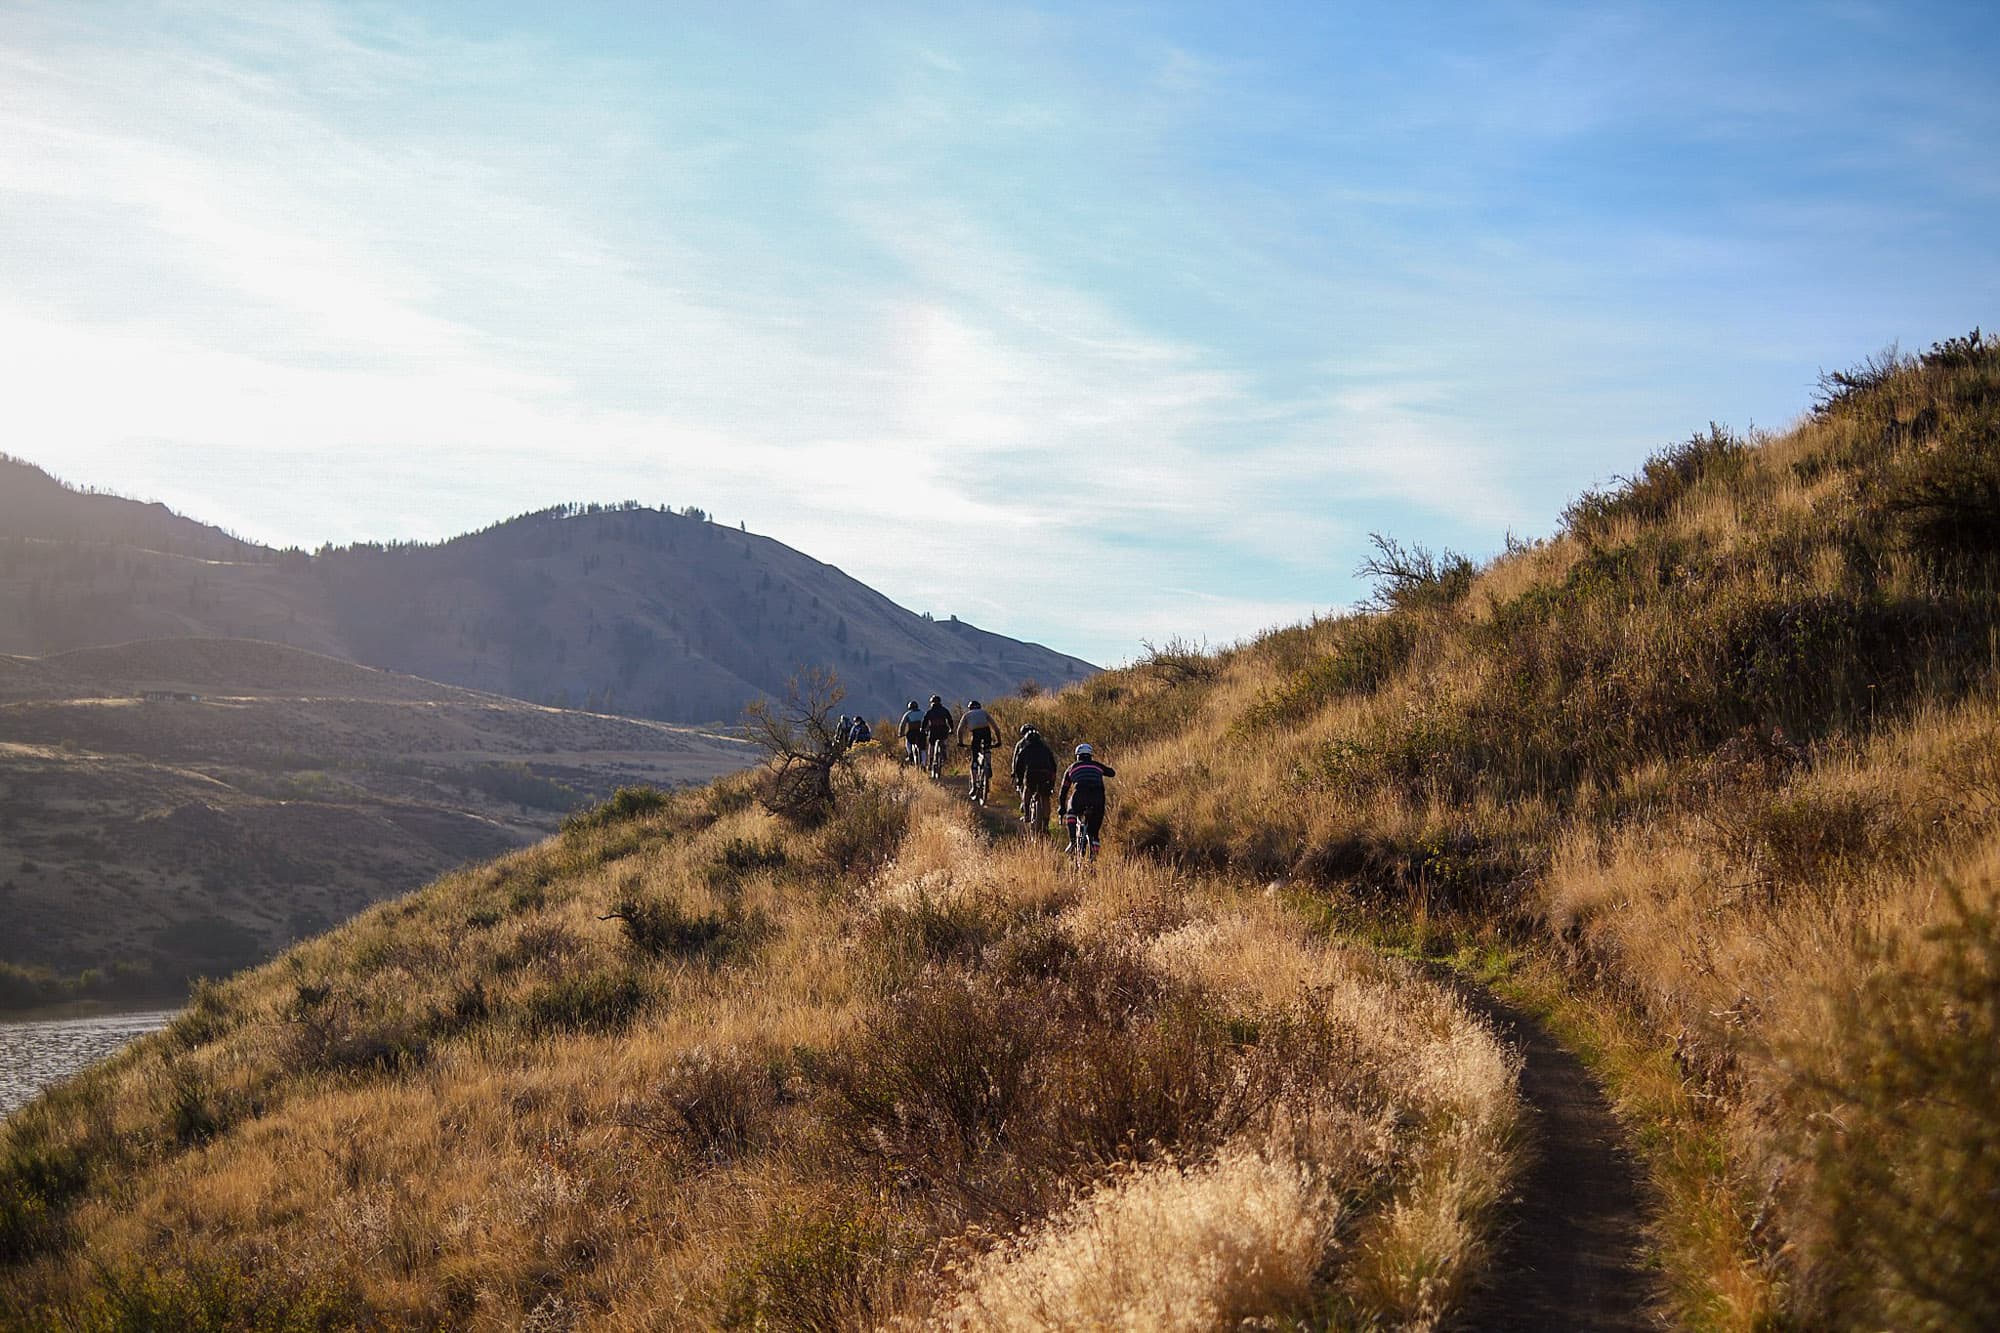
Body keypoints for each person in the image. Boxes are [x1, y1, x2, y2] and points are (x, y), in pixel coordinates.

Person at [1058, 743, 1116, 858]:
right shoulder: (1097, 766)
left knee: (1071, 811)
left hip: (1080, 795)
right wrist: (1104, 769)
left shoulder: (1072, 768)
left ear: (1077, 756)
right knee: (1094, 832)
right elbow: (1112, 773)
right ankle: (1094, 852)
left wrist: (1062, 808)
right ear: (1090, 755)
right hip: (1098, 797)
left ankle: (1073, 841)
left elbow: (1063, 791)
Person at [1011, 723, 1058, 834]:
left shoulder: (1025, 749)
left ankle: (1027, 814)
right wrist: (1052, 783)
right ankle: (1046, 825)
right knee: (1045, 798)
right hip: (1045, 774)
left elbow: (1018, 766)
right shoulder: (1046, 749)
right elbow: (1053, 766)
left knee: (1027, 790)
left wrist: (1019, 779)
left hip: (1032, 774)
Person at [957, 700, 999, 801]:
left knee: (975, 758)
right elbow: (995, 728)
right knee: (987, 748)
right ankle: (988, 764)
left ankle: (974, 785)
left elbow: (960, 730)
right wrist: (999, 741)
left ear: (970, 708)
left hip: (975, 734)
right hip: (986, 732)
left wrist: (960, 742)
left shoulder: (967, 715)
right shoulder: (984, 712)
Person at [921, 695, 955, 775]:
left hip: (933, 731)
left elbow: (925, 721)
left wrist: (922, 729)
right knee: (944, 743)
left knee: (931, 745)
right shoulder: (944, 710)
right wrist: (951, 729)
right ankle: (945, 757)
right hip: (943, 730)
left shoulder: (929, 712)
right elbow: (950, 720)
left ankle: (931, 761)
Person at [898, 700, 926, 766]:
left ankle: (910, 754)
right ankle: (924, 763)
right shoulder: (923, 713)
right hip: (921, 733)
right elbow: (927, 722)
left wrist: (901, 733)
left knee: (908, 742)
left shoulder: (908, 714)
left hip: (912, 733)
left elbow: (903, 724)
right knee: (923, 749)